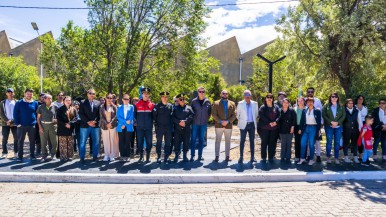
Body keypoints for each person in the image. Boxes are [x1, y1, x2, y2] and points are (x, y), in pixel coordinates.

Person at [13, 88, 39, 161]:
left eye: (31, 94)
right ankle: (20, 156)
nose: (29, 95)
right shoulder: (19, 102)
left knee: (32, 141)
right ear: (24, 94)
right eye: (28, 94)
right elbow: (15, 113)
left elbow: (37, 114)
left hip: (32, 125)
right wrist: (17, 123)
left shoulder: (35, 103)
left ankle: (32, 155)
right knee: (20, 141)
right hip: (21, 125)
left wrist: (36, 122)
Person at [212, 90, 236, 162]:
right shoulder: (216, 103)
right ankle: (217, 156)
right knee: (218, 141)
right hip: (219, 125)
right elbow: (214, 114)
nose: (225, 94)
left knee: (228, 141)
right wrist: (220, 121)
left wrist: (228, 121)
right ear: (220, 94)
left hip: (228, 125)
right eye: (223, 93)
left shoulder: (232, 103)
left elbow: (234, 115)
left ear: (227, 95)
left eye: (226, 93)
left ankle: (227, 156)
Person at [78, 89, 101, 164]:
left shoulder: (98, 103)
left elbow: (99, 114)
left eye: (93, 93)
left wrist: (94, 121)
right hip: (85, 125)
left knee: (96, 142)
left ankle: (95, 157)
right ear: (87, 94)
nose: (92, 95)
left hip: (95, 125)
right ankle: (82, 157)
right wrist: (88, 122)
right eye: (90, 93)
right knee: (82, 142)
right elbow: (81, 114)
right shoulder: (82, 102)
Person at [322, 92, 346, 164]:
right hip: (329, 126)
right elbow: (324, 115)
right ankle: (328, 157)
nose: (334, 98)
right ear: (330, 98)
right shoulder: (326, 106)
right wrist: (331, 122)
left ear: (337, 98)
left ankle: (336, 157)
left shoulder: (341, 106)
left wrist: (337, 123)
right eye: (332, 96)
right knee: (329, 142)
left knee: (337, 142)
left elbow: (343, 115)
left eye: (335, 97)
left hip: (338, 127)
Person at [298, 97, 322, 165]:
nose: (310, 103)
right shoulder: (304, 110)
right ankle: (302, 158)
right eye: (308, 102)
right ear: (306, 103)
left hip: (313, 128)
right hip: (305, 128)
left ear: (313, 102)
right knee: (303, 144)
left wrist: (319, 130)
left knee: (311, 144)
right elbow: (302, 120)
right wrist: (300, 129)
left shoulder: (317, 111)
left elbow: (319, 122)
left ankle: (311, 159)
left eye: (311, 101)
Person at [236, 90, 259, 163]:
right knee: (242, 141)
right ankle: (241, 157)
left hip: (252, 124)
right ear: (244, 96)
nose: (247, 97)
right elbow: (237, 115)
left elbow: (256, 114)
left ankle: (252, 157)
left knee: (252, 141)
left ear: (250, 96)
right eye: (246, 95)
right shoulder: (240, 104)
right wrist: (242, 120)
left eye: (248, 95)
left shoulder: (255, 104)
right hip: (243, 125)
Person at [190, 87, 211, 161]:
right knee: (193, 139)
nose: (201, 93)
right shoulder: (193, 101)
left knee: (202, 140)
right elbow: (191, 112)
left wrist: (205, 119)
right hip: (195, 123)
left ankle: (200, 155)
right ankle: (192, 155)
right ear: (198, 92)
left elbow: (209, 113)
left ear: (204, 92)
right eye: (200, 91)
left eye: (203, 91)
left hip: (203, 124)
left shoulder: (208, 102)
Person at [257, 93, 280, 163]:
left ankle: (271, 157)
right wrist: (269, 122)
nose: (269, 98)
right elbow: (261, 116)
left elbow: (279, 115)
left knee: (272, 143)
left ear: (273, 99)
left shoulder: (276, 107)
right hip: (264, 129)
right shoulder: (262, 107)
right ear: (266, 99)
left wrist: (276, 122)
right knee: (264, 143)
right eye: (268, 97)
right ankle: (263, 157)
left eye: (271, 97)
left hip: (274, 129)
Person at [172, 93, 194, 162]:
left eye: (183, 99)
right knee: (177, 142)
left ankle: (185, 156)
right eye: (181, 99)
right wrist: (179, 122)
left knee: (186, 142)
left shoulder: (189, 108)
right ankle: (176, 156)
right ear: (178, 100)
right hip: (177, 128)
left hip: (186, 128)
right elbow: (172, 117)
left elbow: (192, 116)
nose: (182, 100)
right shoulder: (175, 108)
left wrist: (185, 121)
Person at [134, 87, 155, 162]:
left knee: (149, 143)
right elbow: (135, 115)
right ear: (142, 94)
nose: (146, 95)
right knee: (140, 143)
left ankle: (148, 157)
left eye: (147, 94)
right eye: (144, 93)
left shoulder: (152, 105)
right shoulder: (137, 104)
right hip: (140, 128)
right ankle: (141, 157)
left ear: (149, 95)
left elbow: (153, 117)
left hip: (149, 128)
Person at [37, 94, 59, 162]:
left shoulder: (55, 107)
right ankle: (44, 155)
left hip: (53, 126)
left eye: (51, 98)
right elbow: (38, 118)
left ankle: (53, 154)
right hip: (43, 125)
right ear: (45, 99)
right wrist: (40, 127)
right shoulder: (40, 107)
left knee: (54, 141)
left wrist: (56, 120)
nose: (50, 100)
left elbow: (58, 117)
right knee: (43, 142)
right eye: (49, 98)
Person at [153, 91, 173, 163]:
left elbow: (172, 117)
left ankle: (166, 156)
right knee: (159, 142)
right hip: (160, 127)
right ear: (161, 97)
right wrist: (156, 126)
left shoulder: (170, 106)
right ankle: (158, 157)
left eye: (166, 97)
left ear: (167, 98)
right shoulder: (157, 106)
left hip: (168, 127)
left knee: (168, 142)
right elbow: (154, 117)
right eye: (163, 97)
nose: (165, 98)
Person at [56, 96, 77, 161]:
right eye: (66, 100)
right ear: (64, 101)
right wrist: (65, 124)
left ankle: (70, 156)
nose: (68, 102)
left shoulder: (73, 109)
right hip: (62, 128)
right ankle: (63, 157)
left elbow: (76, 118)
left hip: (70, 129)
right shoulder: (60, 109)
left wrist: (70, 124)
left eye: (69, 100)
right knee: (63, 144)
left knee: (70, 143)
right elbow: (58, 119)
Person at [99, 93, 118, 162]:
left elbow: (116, 116)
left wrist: (111, 123)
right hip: (104, 125)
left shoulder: (114, 107)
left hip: (112, 125)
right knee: (106, 140)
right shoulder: (101, 107)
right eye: (108, 98)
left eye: (111, 98)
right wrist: (107, 123)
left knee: (112, 140)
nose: (109, 99)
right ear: (105, 98)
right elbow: (101, 117)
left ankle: (112, 155)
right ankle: (106, 155)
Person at [306, 87, 323, 162]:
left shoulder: (317, 100)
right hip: (307, 124)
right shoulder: (304, 100)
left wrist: (321, 123)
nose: (310, 93)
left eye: (311, 92)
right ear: (307, 92)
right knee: (309, 141)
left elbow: (321, 111)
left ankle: (318, 155)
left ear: (313, 92)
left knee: (317, 141)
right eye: (309, 92)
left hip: (316, 125)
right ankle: (309, 155)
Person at [342, 99, 362, 163]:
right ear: (346, 104)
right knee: (346, 144)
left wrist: (360, 130)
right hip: (346, 130)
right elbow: (341, 121)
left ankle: (355, 157)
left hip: (355, 130)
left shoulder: (356, 111)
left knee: (355, 144)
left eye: (352, 103)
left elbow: (360, 121)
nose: (351, 104)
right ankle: (346, 157)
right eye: (349, 103)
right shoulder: (343, 111)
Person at [0, 88, 17, 158]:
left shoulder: (17, 102)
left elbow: (18, 113)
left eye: (11, 92)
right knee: (5, 138)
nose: (10, 93)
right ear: (6, 93)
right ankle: (4, 152)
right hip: (5, 123)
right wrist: (7, 121)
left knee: (16, 138)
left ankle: (16, 151)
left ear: (13, 93)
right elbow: (1, 113)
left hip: (15, 123)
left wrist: (12, 121)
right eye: (8, 92)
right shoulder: (2, 102)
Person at [278, 98, 296, 163]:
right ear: (282, 103)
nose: (285, 104)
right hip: (282, 130)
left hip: (290, 130)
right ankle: (282, 157)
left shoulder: (292, 110)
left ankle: (288, 157)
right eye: (284, 102)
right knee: (283, 144)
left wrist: (292, 127)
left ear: (288, 103)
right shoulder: (279, 110)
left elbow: (294, 120)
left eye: (287, 103)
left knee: (289, 144)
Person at [355, 95, 368, 159]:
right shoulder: (354, 107)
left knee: (362, 139)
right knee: (356, 139)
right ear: (357, 99)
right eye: (359, 99)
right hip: (355, 124)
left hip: (364, 124)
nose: (360, 100)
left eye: (361, 99)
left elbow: (366, 117)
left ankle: (361, 154)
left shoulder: (365, 107)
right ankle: (355, 154)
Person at [293, 96, 305, 162]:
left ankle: (303, 157)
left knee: (304, 142)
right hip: (296, 127)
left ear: (304, 101)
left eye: (301, 101)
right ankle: (297, 156)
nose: (300, 102)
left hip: (304, 127)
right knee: (297, 142)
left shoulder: (306, 109)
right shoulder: (294, 109)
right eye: (299, 101)